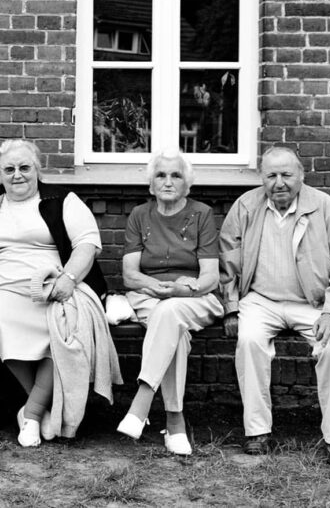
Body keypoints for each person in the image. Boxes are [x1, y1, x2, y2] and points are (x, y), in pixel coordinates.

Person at [0, 139, 121, 447]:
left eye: (25, 167)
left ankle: (32, 414)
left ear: (38, 169)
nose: (17, 175)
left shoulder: (62, 199)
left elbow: (87, 244)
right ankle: (46, 408)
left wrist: (70, 278)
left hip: (54, 287)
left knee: (64, 334)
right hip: (5, 289)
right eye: (9, 169)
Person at [220, 146, 330, 467]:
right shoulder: (246, 206)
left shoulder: (324, 206)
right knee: (249, 342)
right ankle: (257, 431)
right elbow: (227, 261)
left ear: (301, 175)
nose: (279, 182)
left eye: (286, 174)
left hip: (312, 303)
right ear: (262, 178)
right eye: (271, 175)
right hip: (260, 300)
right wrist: (231, 307)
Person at [114, 149, 223, 456]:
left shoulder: (201, 214)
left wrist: (183, 288)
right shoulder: (139, 215)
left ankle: (142, 401)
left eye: (176, 175)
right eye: (161, 175)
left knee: (170, 312)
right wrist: (155, 285)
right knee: (174, 332)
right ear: (151, 183)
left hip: (195, 297)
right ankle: (175, 421)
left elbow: (211, 278)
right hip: (149, 295)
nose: (168, 181)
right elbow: (130, 275)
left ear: (187, 183)